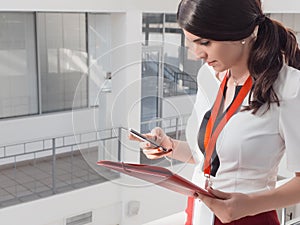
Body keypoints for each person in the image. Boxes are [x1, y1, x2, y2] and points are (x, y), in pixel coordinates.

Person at [129, 0, 300, 224]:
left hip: (249, 218)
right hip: (199, 215)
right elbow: (211, 156)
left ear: (239, 33)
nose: (197, 54)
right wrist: (169, 146)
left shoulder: (289, 87)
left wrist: (250, 204)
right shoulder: (208, 77)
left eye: (205, 43)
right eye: (191, 43)